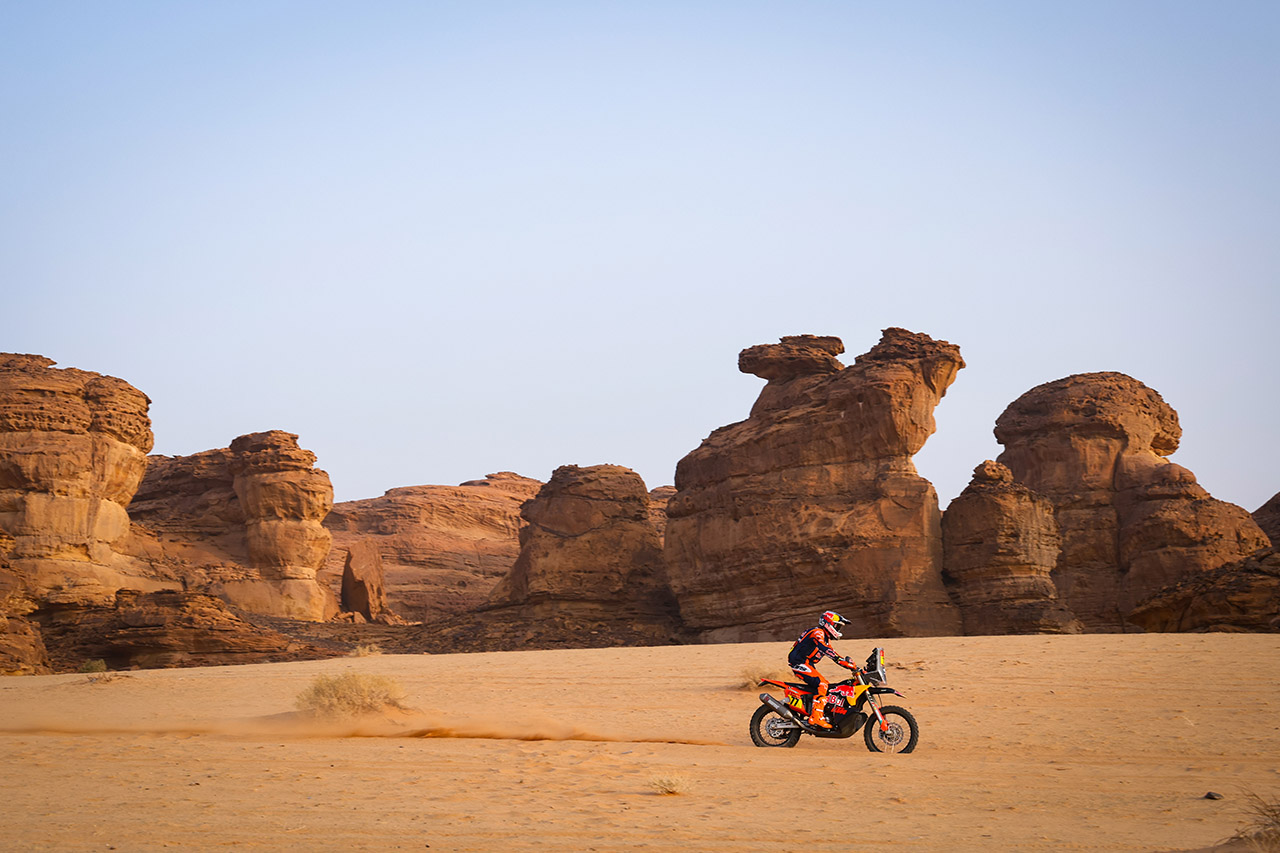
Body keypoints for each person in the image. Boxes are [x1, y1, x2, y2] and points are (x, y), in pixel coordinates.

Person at [787, 610, 859, 729]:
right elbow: (827, 651)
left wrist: (849, 665)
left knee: (825, 687)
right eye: (837, 626)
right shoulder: (818, 633)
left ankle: (813, 711)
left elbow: (832, 653)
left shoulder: (825, 637)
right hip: (799, 662)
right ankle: (816, 718)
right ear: (828, 624)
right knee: (822, 685)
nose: (838, 629)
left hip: (807, 663)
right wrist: (842, 661)